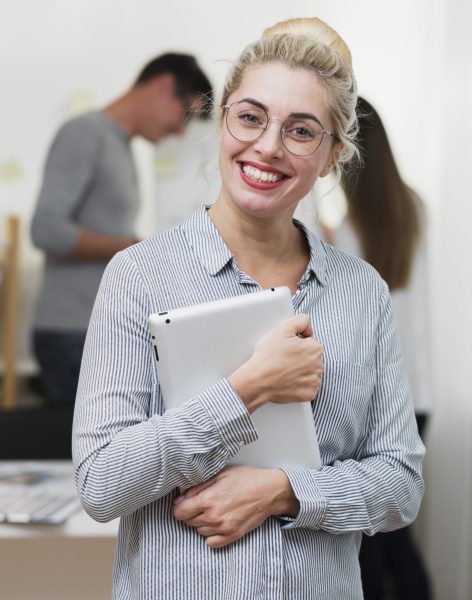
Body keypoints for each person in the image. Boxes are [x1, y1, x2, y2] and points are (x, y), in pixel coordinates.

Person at [73, 18, 425, 600]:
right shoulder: (138, 278)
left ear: (334, 153)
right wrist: (246, 390)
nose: (267, 146)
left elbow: (402, 484)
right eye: (251, 117)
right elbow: (102, 484)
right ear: (223, 120)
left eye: (302, 130)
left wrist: (283, 491)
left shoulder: (362, 293)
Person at [31, 53, 212, 406]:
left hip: (92, 330)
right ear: (163, 86)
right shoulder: (84, 133)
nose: (180, 130)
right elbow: (46, 230)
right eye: (184, 115)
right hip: (70, 331)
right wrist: (129, 247)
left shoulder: (120, 146)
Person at [334, 96, 432, 599]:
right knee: (398, 538)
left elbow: (351, 323)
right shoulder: (412, 208)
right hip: (420, 392)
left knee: (369, 543)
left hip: (381, 397)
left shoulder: (351, 231)